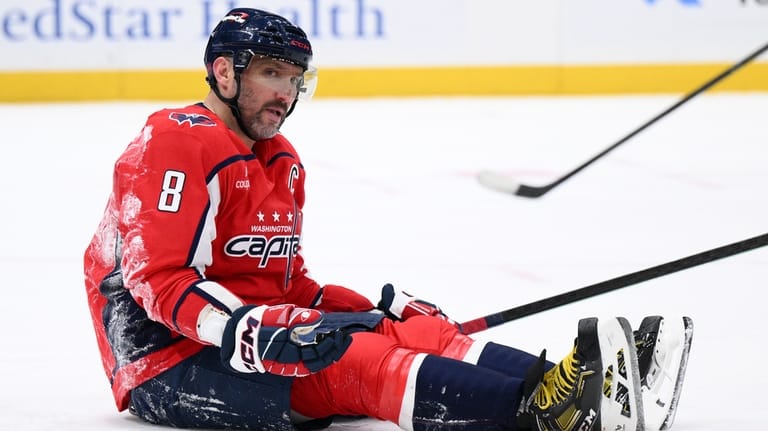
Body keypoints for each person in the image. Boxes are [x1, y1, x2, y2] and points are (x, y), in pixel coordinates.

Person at [83, 8, 692, 431]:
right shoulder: (175, 140)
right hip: (166, 361)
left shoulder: (282, 159)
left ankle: (570, 384)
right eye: (271, 74)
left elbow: (288, 285)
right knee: (354, 361)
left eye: (295, 81)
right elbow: (157, 282)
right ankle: (540, 413)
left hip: (242, 330)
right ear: (223, 71)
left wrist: (369, 309)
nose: (285, 95)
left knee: (411, 333)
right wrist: (257, 333)